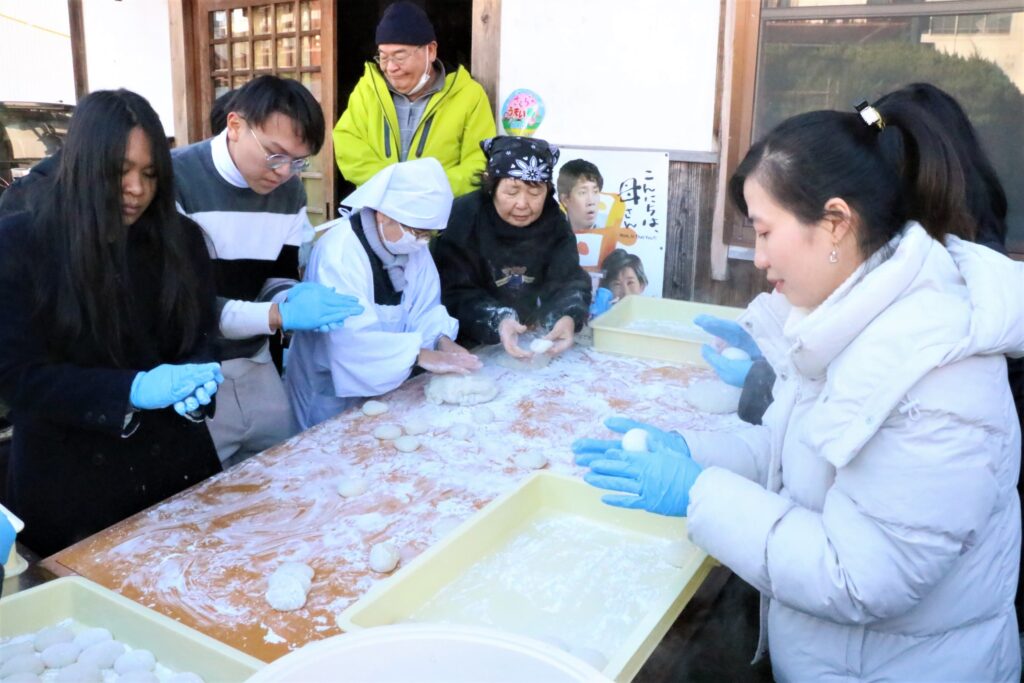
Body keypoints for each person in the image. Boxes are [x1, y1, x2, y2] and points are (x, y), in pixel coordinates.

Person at [575, 100, 1021, 681]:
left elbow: (858, 577)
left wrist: (698, 493)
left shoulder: (938, 375)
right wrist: (693, 454)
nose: (758, 259)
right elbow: (800, 456)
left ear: (835, 222)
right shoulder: (847, 324)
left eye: (764, 232)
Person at [700, 82, 1015, 427]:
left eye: (765, 232)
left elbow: (849, 409)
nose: (760, 258)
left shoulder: (948, 323)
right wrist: (775, 348)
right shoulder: (887, 275)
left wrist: (765, 377)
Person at [0, 90, 225, 557]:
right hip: (72, 490)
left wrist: (197, 387)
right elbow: (18, 377)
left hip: (177, 475)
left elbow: (201, 335)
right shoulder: (21, 243)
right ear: (82, 164)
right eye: (119, 171)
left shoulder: (179, 240)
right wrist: (129, 391)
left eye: (149, 173)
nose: (137, 189)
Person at [173, 75, 363, 465]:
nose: (283, 172)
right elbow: (182, 306)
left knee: (282, 472)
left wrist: (292, 295)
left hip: (257, 360)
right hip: (191, 371)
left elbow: (276, 274)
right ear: (236, 125)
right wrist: (277, 314)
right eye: (275, 154)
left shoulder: (288, 190)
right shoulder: (176, 180)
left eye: (298, 161)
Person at [286, 158, 480, 429]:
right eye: (416, 231)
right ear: (383, 213)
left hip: (386, 383)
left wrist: (441, 341)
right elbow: (348, 342)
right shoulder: (341, 252)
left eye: (429, 234)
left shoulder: (414, 248)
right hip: (328, 390)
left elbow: (424, 307)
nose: (421, 240)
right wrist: (420, 355)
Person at [433, 136, 592, 359]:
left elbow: (568, 280)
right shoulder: (464, 218)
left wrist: (567, 316)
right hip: (466, 345)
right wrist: (498, 320)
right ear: (491, 185)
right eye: (511, 191)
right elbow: (452, 292)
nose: (522, 204)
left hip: (529, 336)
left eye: (535, 192)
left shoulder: (554, 221)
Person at [333, 1, 495, 196]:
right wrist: (391, 183)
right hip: (379, 217)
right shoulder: (368, 90)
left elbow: (478, 164)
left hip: (441, 221)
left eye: (399, 56)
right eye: (383, 57)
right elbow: (347, 143)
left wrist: (425, 190)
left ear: (431, 51)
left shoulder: (469, 95)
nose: (391, 67)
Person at [557, 159, 603, 232]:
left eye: (595, 192)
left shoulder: (609, 240)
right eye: (583, 192)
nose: (591, 202)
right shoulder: (552, 239)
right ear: (565, 200)